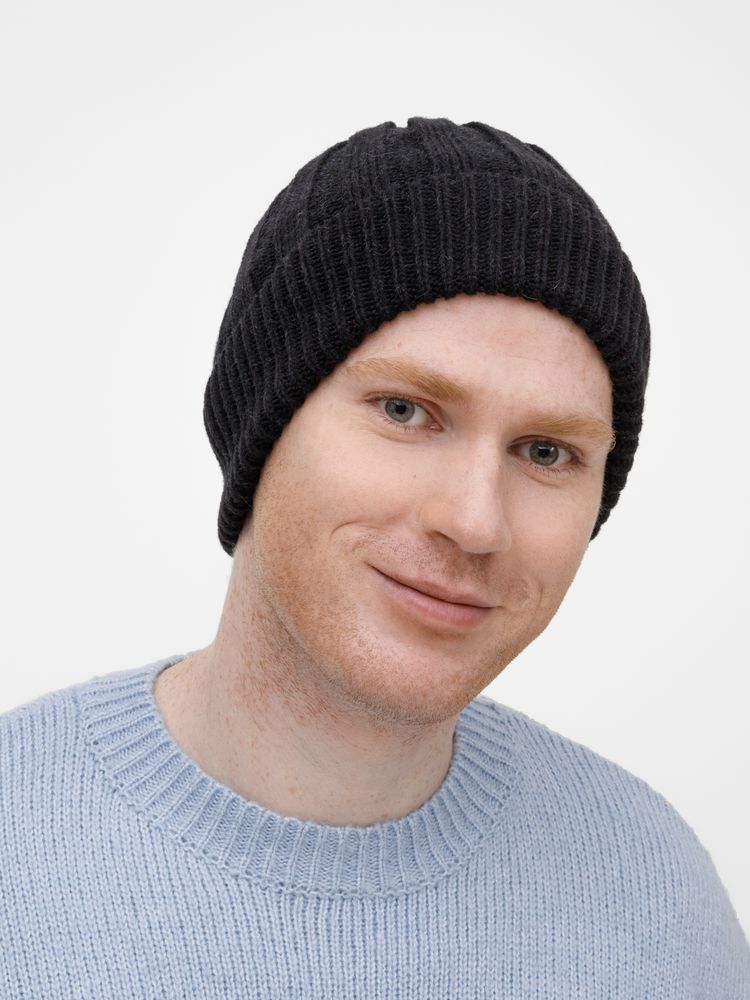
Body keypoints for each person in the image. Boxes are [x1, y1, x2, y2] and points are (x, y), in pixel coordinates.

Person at [1, 116, 748, 998]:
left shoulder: (656, 902)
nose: (475, 522)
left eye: (547, 452)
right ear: (263, 426)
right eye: (405, 411)